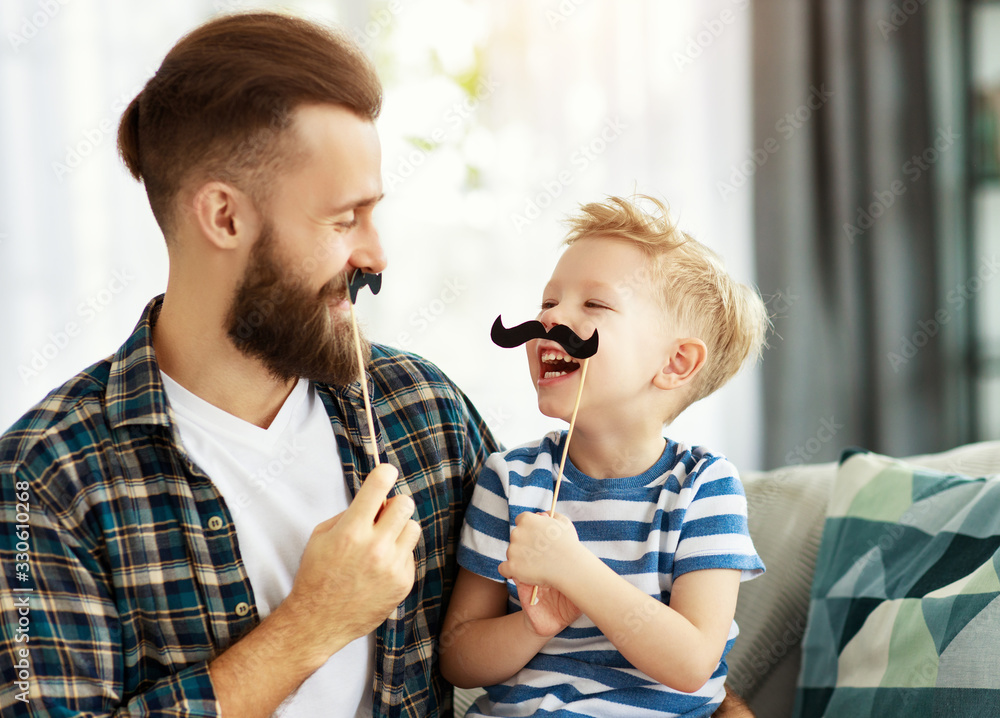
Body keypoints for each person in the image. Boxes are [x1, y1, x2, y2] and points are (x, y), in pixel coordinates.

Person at [0, 12, 500, 717]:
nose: (377, 255)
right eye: (343, 219)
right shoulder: (43, 480)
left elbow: (554, 639)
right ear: (225, 218)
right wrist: (310, 626)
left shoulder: (422, 408)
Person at [440, 195, 769, 717]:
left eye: (594, 304)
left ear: (676, 362)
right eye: (548, 302)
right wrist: (532, 624)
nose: (550, 319)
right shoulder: (510, 480)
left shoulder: (705, 487)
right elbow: (458, 658)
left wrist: (575, 572)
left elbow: (691, 664)